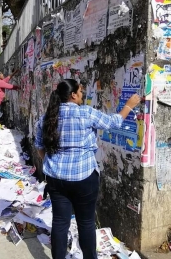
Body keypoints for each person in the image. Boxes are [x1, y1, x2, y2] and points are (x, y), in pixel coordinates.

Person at [34, 79, 140, 259]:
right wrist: (129, 105)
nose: (83, 95)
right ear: (73, 95)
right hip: (84, 179)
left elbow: (39, 147)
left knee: (60, 222)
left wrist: (52, 164)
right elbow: (113, 122)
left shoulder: (46, 118)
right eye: (81, 91)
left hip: (56, 179)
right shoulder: (85, 113)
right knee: (86, 223)